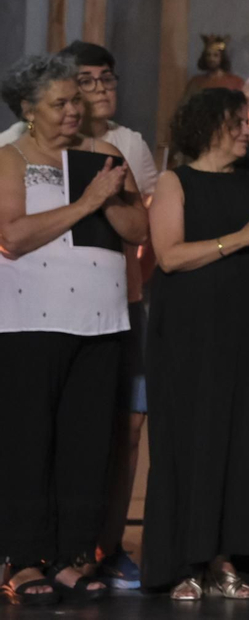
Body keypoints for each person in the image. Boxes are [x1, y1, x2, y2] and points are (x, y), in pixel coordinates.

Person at [0, 42, 162, 590]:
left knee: (88, 441)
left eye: (76, 101)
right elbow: (12, 237)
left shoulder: (104, 155)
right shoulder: (9, 158)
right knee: (28, 440)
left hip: (101, 319)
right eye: (60, 103)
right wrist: (90, 201)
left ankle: (72, 554)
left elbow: (141, 233)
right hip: (29, 321)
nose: (74, 111)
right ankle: (22, 558)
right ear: (28, 109)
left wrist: (110, 197)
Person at [142, 87, 249, 600]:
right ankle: (186, 560)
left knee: (242, 440)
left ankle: (228, 557)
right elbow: (169, 256)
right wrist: (246, 236)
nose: (246, 132)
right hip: (187, 328)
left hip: (247, 323)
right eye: (237, 123)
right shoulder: (173, 181)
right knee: (191, 438)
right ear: (210, 126)